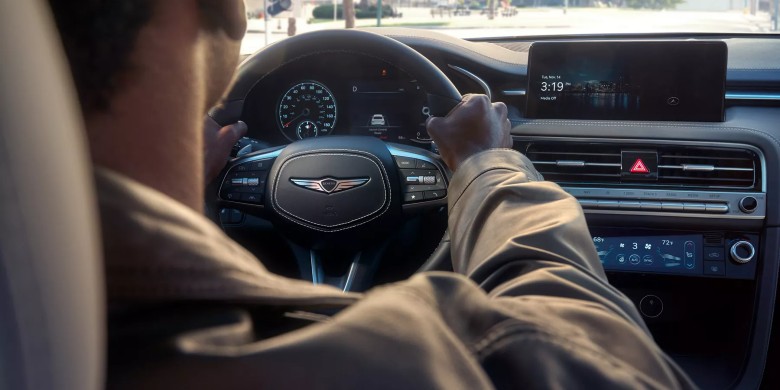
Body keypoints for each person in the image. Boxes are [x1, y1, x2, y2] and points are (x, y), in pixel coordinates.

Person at [47, 0, 696, 388]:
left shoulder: (46, 307)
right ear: (222, 12)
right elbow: (610, 365)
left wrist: (186, 195)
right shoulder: (409, 364)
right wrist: (484, 165)